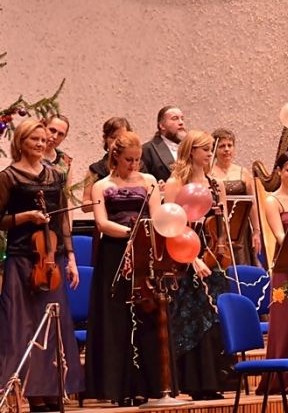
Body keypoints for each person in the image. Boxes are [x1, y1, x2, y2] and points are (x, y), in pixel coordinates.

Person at [0, 119, 83, 412]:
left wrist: (71, 258)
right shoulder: (8, 177)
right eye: (33, 139)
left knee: (53, 326)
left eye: (42, 139)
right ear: (21, 143)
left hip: (52, 260)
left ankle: (52, 389)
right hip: (23, 259)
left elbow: (63, 221)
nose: (40, 144)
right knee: (25, 326)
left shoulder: (55, 175)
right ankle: (32, 393)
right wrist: (25, 217)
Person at [85, 131, 164, 405]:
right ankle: (117, 388)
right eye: (129, 159)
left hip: (143, 251)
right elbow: (102, 223)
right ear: (115, 157)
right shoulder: (101, 185)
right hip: (114, 253)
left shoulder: (149, 181)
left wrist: (142, 236)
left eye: (137, 159)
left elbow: (156, 216)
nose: (134, 165)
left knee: (145, 316)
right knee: (116, 318)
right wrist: (130, 232)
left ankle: (148, 385)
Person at [164, 129, 228, 401]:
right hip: (185, 254)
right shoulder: (175, 183)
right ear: (191, 151)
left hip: (212, 253)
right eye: (205, 149)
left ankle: (214, 381)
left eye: (211, 149)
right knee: (191, 317)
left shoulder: (215, 183)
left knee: (212, 316)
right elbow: (170, 224)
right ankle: (194, 382)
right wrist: (193, 258)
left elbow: (223, 223)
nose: (210, 154)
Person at [256, 150, 288, 395]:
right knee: (286, 320)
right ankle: (283, 379)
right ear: (279, 172)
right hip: (286, 266)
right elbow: (280, 235)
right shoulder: (272, 201)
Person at [209, 128, 261, 266]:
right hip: (218, 227)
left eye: (230, 145)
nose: (227, 149)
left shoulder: (243, 172)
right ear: (214, 150)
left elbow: (252, 203)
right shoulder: (209, 173)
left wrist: (256, 231)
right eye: (222, 146)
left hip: (241, 229)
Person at [81, 117, 133, 213]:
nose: (117, 142)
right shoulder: (94, 169)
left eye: (121, 138)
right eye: (113, 137)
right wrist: (107, 201)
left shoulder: (137, 166)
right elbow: (85, 205)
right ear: (105, 139)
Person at [142, 106, 186, 188]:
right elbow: (143, 183)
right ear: (162, 125)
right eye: (175, 118)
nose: (181, 122)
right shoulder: (148, 149)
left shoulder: (190, 148)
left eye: (182, 119)